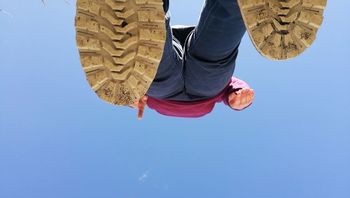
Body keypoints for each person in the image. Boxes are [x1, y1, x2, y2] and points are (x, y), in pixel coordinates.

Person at [75, 0, 327, 119]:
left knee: (149, 61)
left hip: (161, 92)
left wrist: (133, 93)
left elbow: (134, 81)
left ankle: (131, 19)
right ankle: (238, 4)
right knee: (214, 55)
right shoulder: (217, 96)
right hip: (207, 91)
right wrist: (238, 99)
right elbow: (234, 87)